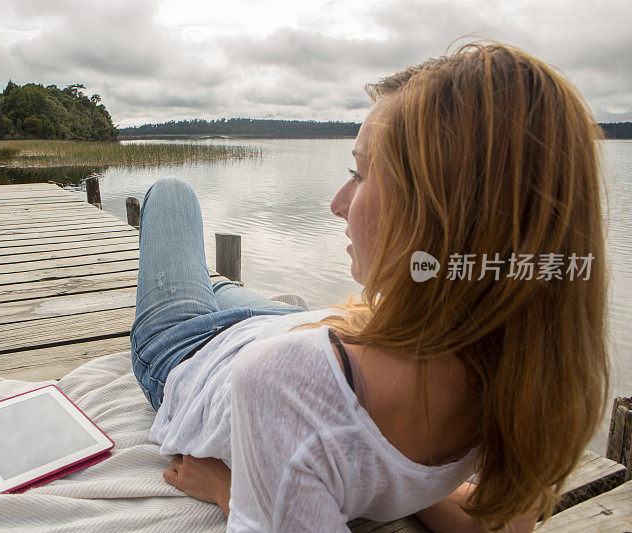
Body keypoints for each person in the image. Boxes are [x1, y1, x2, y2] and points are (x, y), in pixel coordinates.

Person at [129, 41, 609, 532]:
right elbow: (492, 523)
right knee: (228, 287)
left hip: (192, 350)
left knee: (171, 193)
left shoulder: (287, 386)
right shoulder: (525, 368)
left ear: (438, 214)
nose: (337, 203)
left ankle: (210, 286)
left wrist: (233, 493)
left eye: (359, 174)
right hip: (298, 328)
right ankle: (220, 288)